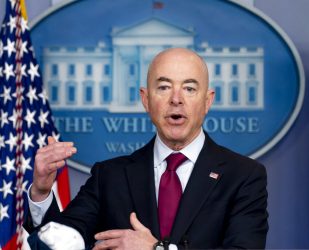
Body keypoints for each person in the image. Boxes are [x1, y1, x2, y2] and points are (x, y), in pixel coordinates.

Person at [25, 48, 268, 249]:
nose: (176, 98)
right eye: (164, 87)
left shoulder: (243, 176)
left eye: (189, 88)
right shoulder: (110, 176)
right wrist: (42, 193)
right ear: (146, 100)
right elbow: (64, 240)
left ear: (207, 101)